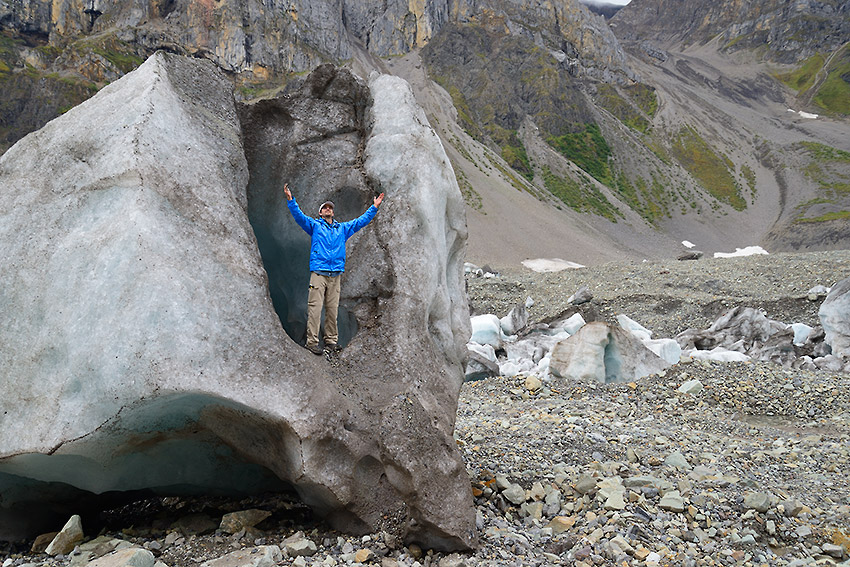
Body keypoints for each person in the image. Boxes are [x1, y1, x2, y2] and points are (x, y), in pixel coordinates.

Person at [283, 183, 385, 355]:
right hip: (319, 273)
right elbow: (299, 217)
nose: (328, 209)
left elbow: (360, 222)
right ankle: (312, 342)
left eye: (330, 208)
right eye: (325, 208)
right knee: (315, 308)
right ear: (320, 213)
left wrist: (374, 207)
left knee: (332, 309)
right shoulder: (315, 226)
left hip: (335, 274)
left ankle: (331, 342)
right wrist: (291, 200)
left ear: (333, 212)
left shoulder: (342, 229)